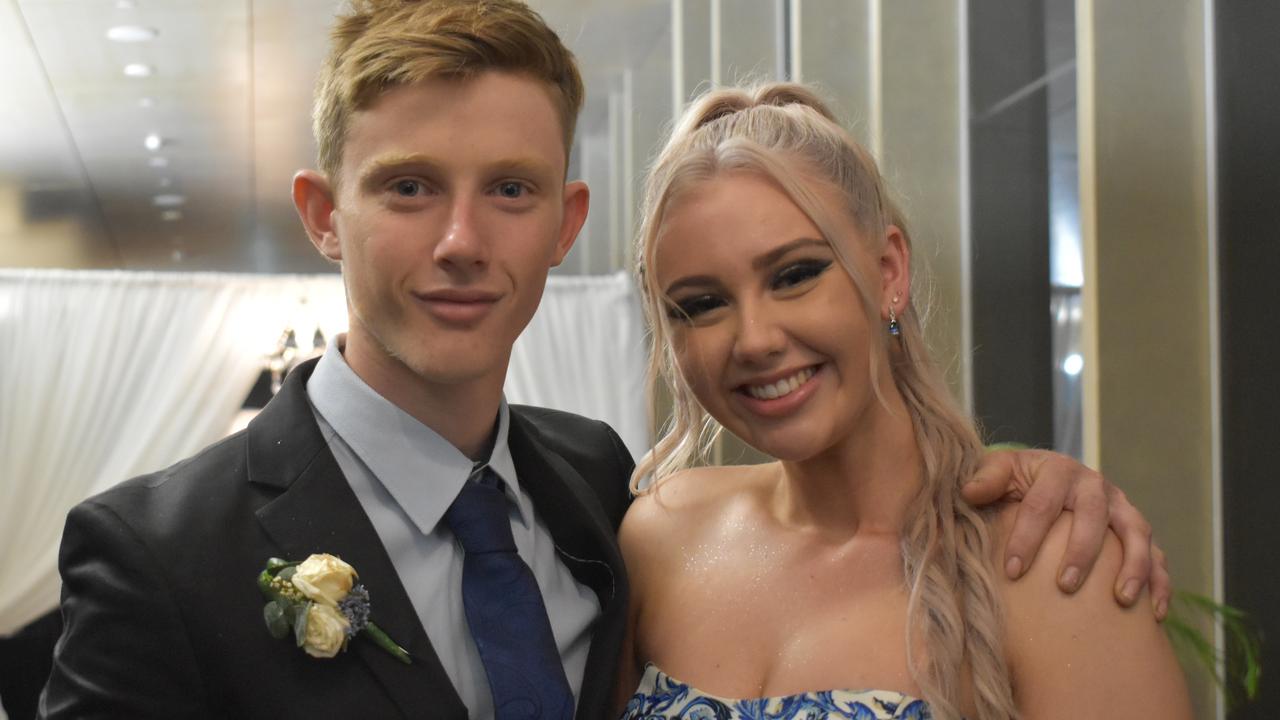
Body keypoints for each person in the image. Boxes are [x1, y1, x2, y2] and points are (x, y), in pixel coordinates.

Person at [39, 2, 1166, 719]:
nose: (461, 243)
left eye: (511, 190)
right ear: (323, 215)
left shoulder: (596, 494)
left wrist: (1036, 477)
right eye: (408, 186)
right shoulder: (156, 559)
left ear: (564, 224)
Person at [615, 83, 1192, 720]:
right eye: (701, 305)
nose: (754, 340)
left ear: (889, 271)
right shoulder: (660, 535)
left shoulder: (1052, 568)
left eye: (795, 275)